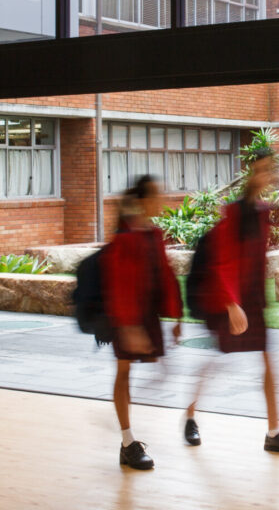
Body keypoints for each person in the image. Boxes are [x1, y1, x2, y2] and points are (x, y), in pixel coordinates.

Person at [185, 148, 279, 455]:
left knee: (267, 359)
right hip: (231, 300)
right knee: (217, 359)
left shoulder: (262, 212)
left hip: (252, 298)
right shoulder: (234, 213)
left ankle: (274, 432)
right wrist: (230, 303)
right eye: (262, 169)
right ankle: (190, 415)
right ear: (251, 173)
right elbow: (221, 262)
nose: (267, 175)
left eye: (270, 170)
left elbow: (258, 255)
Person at [102, 175, 183, 470]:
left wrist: (176, 316)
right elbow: (118, 285)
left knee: (161, 373)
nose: (162, 198)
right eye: (157, 194)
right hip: (127, 318)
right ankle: (127, 441)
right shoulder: (125, 237)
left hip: (147, 315)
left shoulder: (153, 233)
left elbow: (165, 275)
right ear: (144, 200)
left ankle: (118, 423)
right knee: (124, 373)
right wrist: (129, 327)